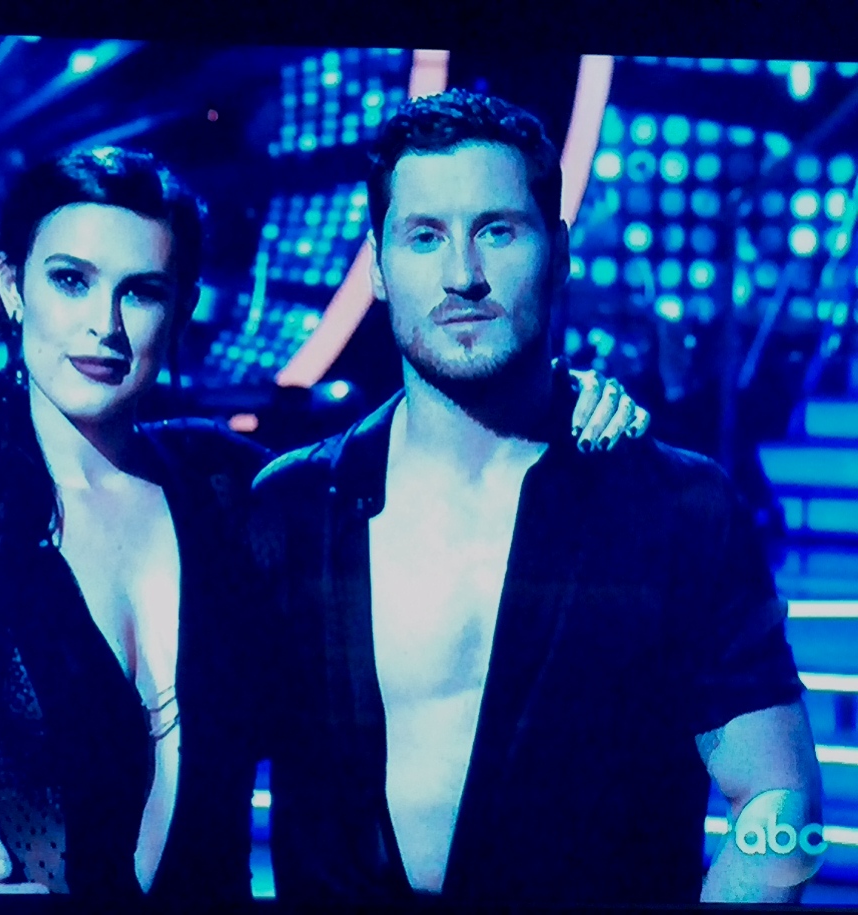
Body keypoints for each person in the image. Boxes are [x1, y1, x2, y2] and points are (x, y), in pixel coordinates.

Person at [0, 145, 647, 898]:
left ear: (181, 308)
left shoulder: (234, 489)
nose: (105, 323)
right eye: (71, 280)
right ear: (12, 285)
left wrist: (558, 399)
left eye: (141, 291)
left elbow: (424, 452)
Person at [250, 90, 822, 905]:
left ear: (558, 251)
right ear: (376, 264)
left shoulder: (677, 510)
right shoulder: (292, 507)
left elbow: (783, 802)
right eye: (424, 236)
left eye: (497, 230)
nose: (462, 275)